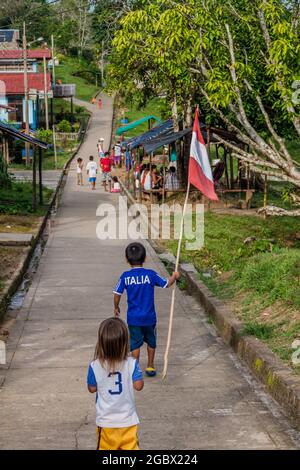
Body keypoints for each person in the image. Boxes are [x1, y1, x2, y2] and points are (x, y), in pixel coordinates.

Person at [113, 242, 180, 377]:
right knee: (151, 341)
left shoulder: (125, 276)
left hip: (134, 318)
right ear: (145, 259)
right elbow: (166, 283)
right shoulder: (150, 274)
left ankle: (135, 369)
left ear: (127, 259)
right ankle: (150, 366)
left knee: (135, 344)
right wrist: (174, 276)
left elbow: (117, 293)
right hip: (149, 318)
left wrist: (116, 307)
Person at [87, 318, 144, 451]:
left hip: (106, 423)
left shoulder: (94, 365)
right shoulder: (132, 363)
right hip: (128, 421)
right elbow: (138, 386)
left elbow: (92, 388)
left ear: (101, 344)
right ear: (125, 343)